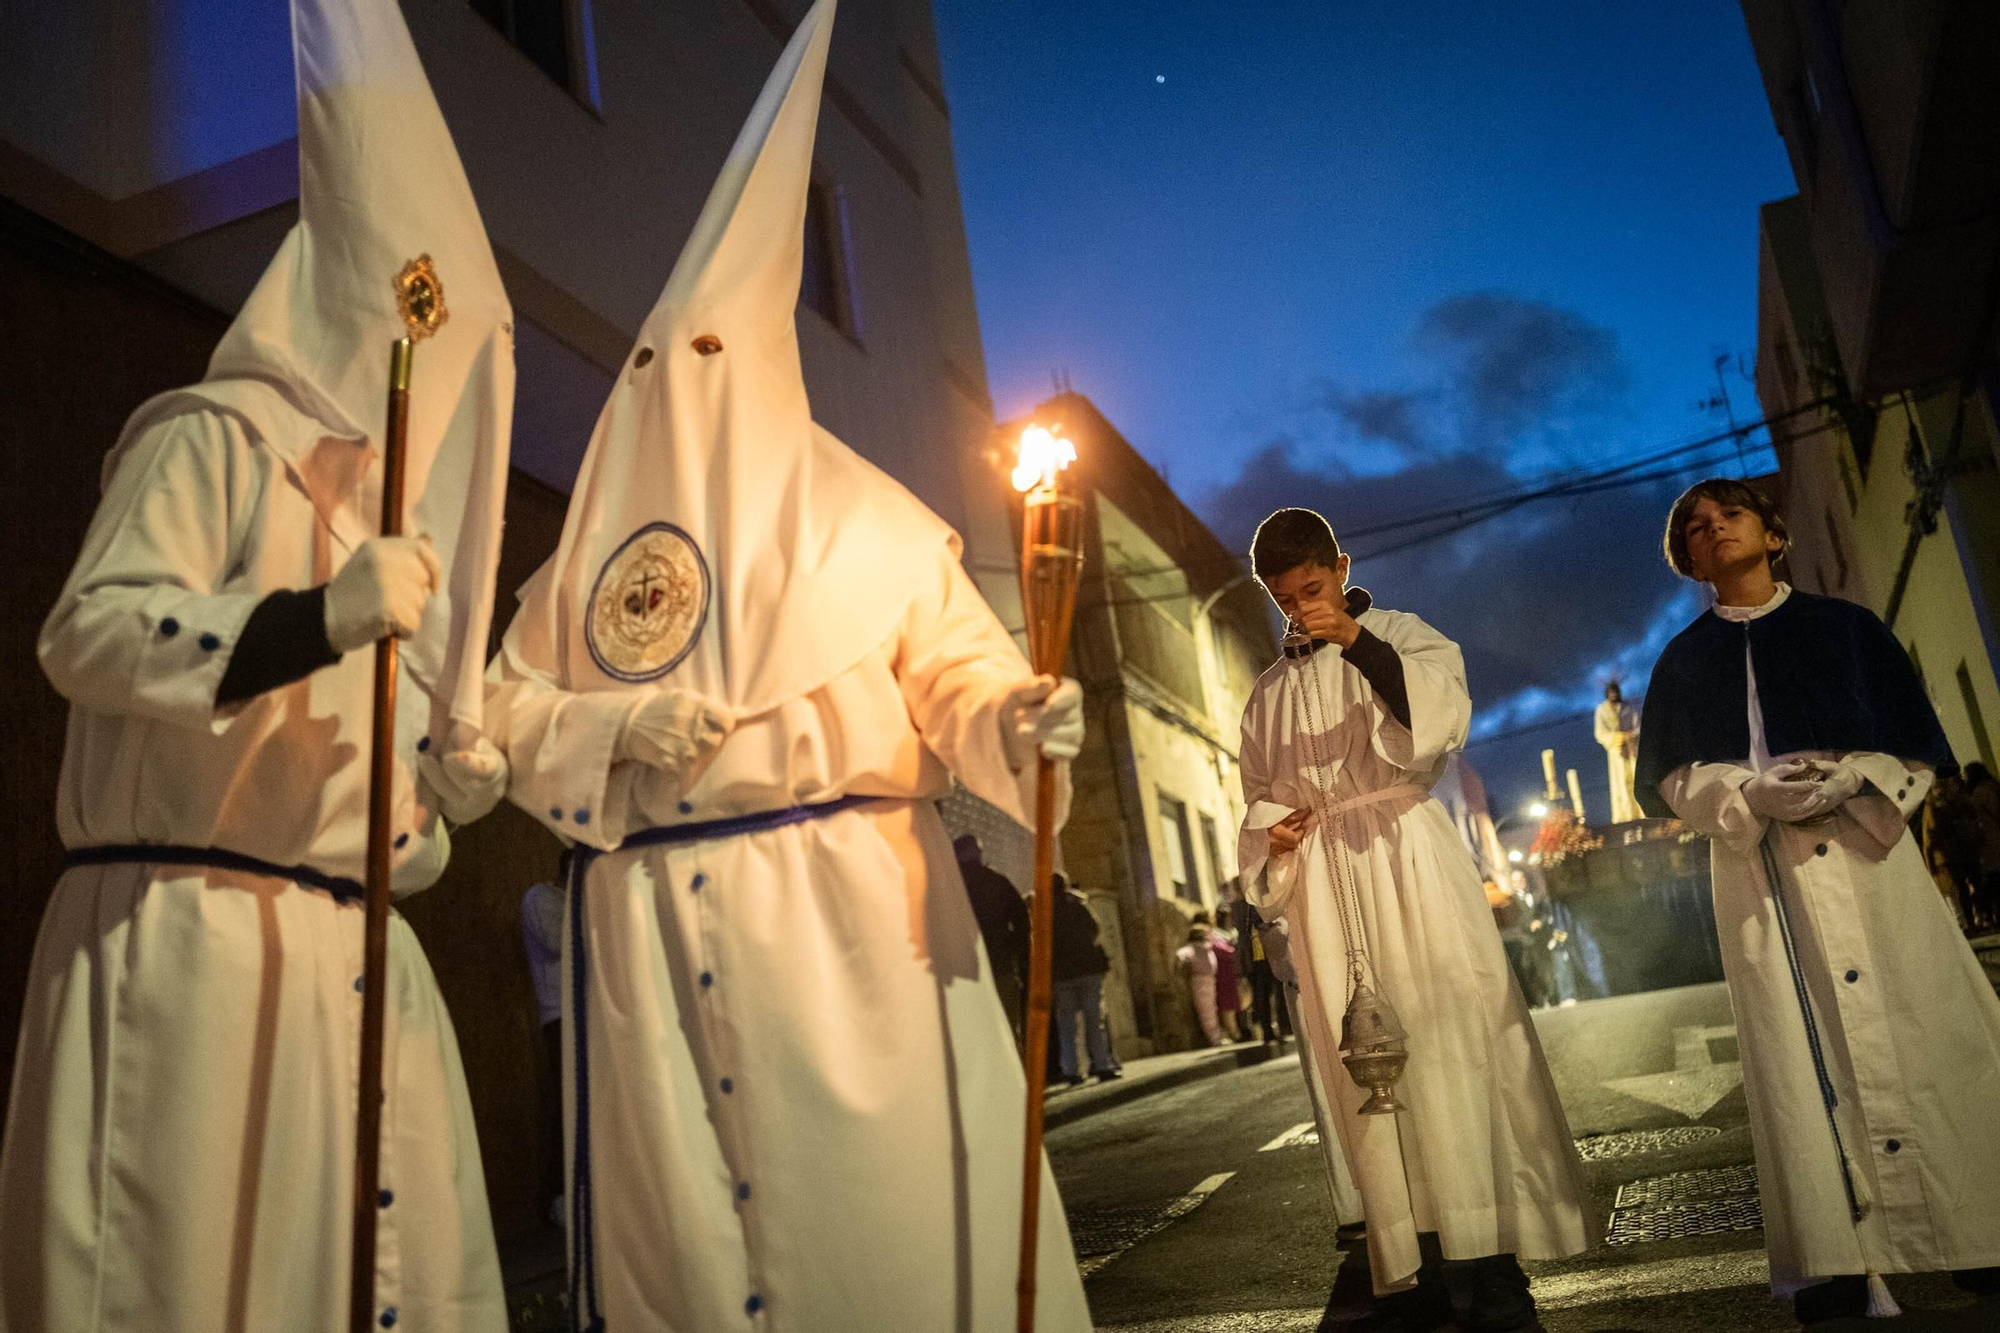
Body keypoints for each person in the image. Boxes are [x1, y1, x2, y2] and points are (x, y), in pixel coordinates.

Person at [480, 5, 1093, 1327]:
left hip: (845, 938)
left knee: (882, 1251)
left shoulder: (870, 527)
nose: (685, 395)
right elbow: (497, 704)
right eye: (661, 367)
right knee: (688, 1262)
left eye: (714, 363)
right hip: (642, 949)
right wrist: (612, 728)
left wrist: (1019, 720)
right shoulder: (591, 557)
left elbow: (960, 682)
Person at [0, 2, 515, 1329]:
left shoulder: (390, 522)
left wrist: (439, 796)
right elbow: (90, 629)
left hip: (359, 965)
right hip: (198, 957)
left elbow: (361, 796)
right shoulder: (209, 440)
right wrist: (311, 621)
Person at [1635, 477, 2000, 1323]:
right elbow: (1674, 776)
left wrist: (1856, 775)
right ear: (1688, 559)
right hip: (1759, 865)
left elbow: (1910, 743)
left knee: (1931, 1023)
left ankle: (1979, 1227)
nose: (1713, 528)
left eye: (1729, 514)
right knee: (1793, 1052)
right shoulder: (1683, 660)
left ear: (1773, 532)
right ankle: (1837, 1261)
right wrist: (1745, 791)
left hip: (1870, 859)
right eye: (1694, 527)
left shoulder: (1845, 627)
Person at [1237, 508, 1597, 1332]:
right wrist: (1276, 834)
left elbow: (1435, 726)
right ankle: (1417, 1264)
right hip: (1325, 886)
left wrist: (1356, 645)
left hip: (1407, 854)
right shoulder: (1267, 694)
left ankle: (1498, 1260)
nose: (1301, 609)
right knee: (1367, 1070)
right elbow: (1256, 802)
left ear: (1341, 565)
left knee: (1453, 1046)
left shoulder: (1404, 633)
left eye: (1314, 588)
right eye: (1284, 599)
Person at [521, 852, 572, 1229]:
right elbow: (557, 941)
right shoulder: (540, 898)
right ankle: (558, 1201)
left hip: (585, 1013)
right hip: (557, 1016)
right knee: (564, 1104)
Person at [956, 833, 1031, 1038]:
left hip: (965, 973)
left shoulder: (952, 889)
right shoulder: (997, 882)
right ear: (979, 854)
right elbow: (1022, 920)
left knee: (976, 1034)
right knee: (1008, 1031)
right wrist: (1013, 947)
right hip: (1001, 965)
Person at [1051, 876, 1120, 1085]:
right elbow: (1095, 929)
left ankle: (1071, 1071)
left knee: (1067, 1025)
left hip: (1062, 973)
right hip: (1087, 969)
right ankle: (1101, 1065)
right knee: (1093, 1020)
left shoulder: (1045, 910)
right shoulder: (1079, 905)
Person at [1233, 884, 1291, 1043]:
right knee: (1267, 990)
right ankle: (1272, 1028)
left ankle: (1271, 1028)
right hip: (1260, 952)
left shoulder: (1239, 906)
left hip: (1256, 954)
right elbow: (1257, 926)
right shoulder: (1249, 905)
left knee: (1265, 992)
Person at [1595, 679, 1643, 823]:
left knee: (1636, 778)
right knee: (1621, 783)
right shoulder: (1601, 710)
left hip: (1632, 748)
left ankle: (1641, 812)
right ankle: (1625, 816)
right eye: (1610, 693)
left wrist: (1630, 735)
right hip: (1616, 752)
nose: (1613, 695)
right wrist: (1617, 738)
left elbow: (1637, 726)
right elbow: (1600, 733)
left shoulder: (1628, 707)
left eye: (1615, 692)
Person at [1176, 921, 1225, 1046]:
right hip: (1201, 981)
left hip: (1208, 980)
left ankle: (1215, 1035)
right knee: (1207, 1010)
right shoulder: (1192, 949)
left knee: (1210, 1009)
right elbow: (1181, 959)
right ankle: (1214, 1038)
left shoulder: (1204, 948)